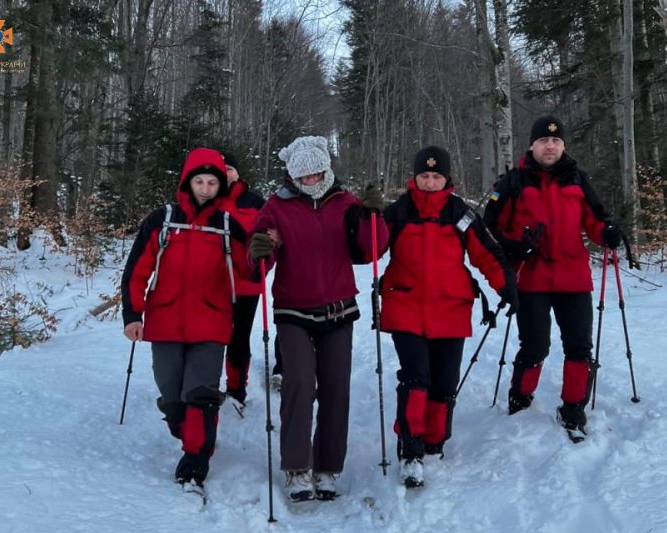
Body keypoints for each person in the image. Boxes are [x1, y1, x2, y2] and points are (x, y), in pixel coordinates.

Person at [248, 135, 389, 502]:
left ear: (327, 169)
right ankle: (297, 467)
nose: (311, 180)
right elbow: (259, 254)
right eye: (303, 175)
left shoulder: (345, 202)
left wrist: (373, 216)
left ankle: (328, 467)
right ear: (292, 175)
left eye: (317, 173)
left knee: (335, 388)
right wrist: (262, 248)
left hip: (338, 308)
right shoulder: (276, 206)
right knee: (298, 384)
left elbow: (370, 250)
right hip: (293, 309)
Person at [380, 146, 518, 488]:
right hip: (405, 306)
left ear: (447, 179)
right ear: (414, 177)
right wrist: (367, 218)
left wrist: (507, 287)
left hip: (451, 308)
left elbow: (487, 254)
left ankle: (434, 440)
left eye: (436, 176)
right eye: (424, 176)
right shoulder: (397, 212)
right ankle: (410, 449)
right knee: (416, 376)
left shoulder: (460, 213)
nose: (429, 182)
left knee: (443, 381)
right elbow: (369, 248)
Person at [483, 116, 622, 442]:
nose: (550, 145)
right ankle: (521, 396)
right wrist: (514, 245)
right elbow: (488, 228)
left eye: (556, 141)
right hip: (531, 279)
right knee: (534, 345)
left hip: (573, 278)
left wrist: (609, 233)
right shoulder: (513, 182)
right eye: (544, 140)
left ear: (563, 146)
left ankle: (573, 408)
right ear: (532, 144)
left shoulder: (577, 180)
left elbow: (596, 221)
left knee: (579, 346)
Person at [121, 148, 250, 486]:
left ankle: (196, 458)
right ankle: (185, 429)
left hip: (211, 321)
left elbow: (249, 271)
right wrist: (133, 314)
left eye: (212, 182)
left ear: (220, 185)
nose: (205, 188)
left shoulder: (227, 225)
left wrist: (263, 251)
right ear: (187, 182)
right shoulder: (162, 220)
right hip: (165, 321)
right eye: (199, 181)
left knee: (201, 393)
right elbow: (136, 270)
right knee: (172, 395)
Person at [217, 152, 265, 412]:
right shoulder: (207, 198)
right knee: (211, 336)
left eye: (229, 168)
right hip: (212, 283)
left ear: (237, 172)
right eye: (220, 169)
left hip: (246, 283)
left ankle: (236, 388)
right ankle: (205, 387)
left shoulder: (255, 201)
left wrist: (261, 268)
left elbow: (269, 240)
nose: (225, 173)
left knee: (239, 337)